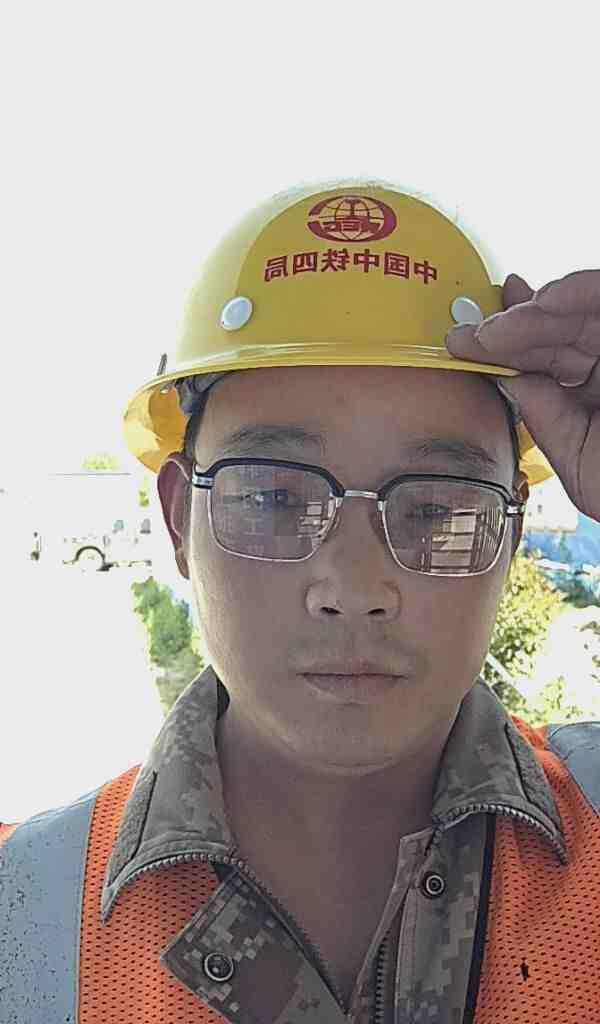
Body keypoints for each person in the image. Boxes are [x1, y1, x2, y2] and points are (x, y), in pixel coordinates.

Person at [2, 180, 600, 1023]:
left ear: (510, 534)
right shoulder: (26, 913)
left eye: (437, 510)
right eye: (273, 499)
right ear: (178, 520)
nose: (353, 589)